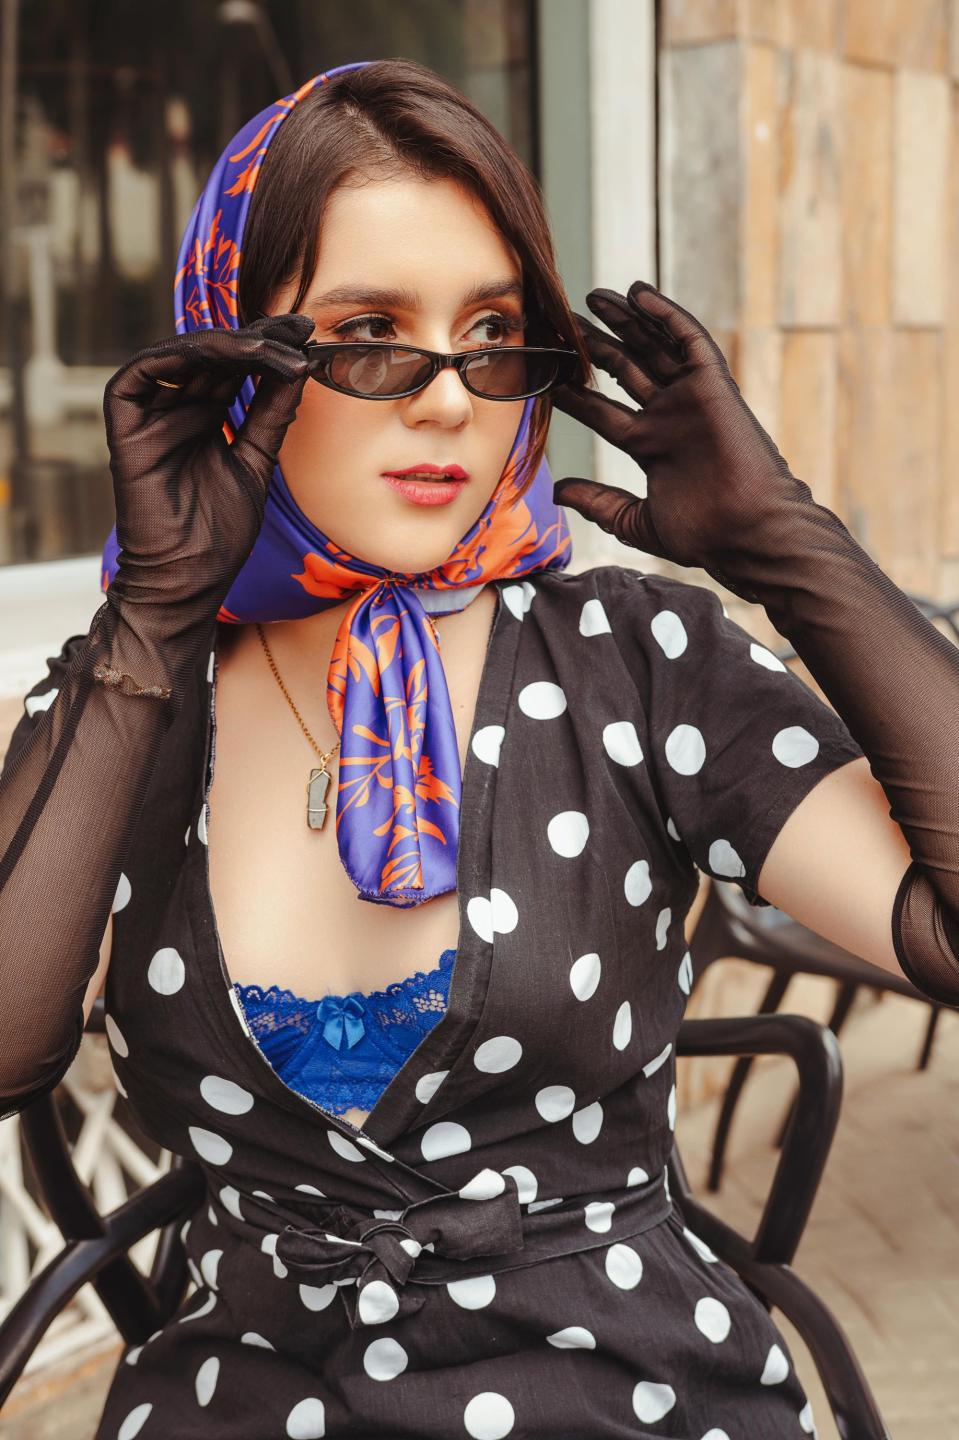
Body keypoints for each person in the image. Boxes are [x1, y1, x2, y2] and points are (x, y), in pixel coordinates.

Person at [1, 56, 957, 1440]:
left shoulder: (637, 659)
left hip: (624, 1395)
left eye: (495, 335)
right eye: (368, 336)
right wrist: (151, 617)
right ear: (231, 359)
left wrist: (786, 546)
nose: (451, 401)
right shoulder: (136, 704)